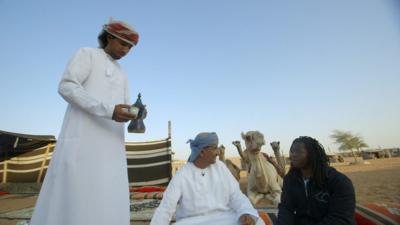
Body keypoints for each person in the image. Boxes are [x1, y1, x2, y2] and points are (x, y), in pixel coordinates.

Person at [29, 19, 139, 225]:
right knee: (76, 190)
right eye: (123, 44)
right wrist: (107, 110)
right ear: (109, 37)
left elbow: (122, 107)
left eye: (130, 47)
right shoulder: (87, 54)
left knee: (107, 190)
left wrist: (136, 113)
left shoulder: (122, 73)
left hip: (111, 145)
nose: (126, 50)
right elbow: (67, 86)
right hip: (82, 140)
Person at [150, 132, 265, 225]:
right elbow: (166, 207)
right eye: (214, 148)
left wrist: (245, 212)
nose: (218, 152)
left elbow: (236, 195)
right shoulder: (183, 174)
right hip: (192, 221)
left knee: (258, 221)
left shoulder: (220, 167)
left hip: (224, 218)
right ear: (202, 152)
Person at [277, 136, 356, 225]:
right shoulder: (290, 179)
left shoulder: (339, 182)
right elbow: (286, 209)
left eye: (298, 151)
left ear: (312, 154)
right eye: (292, 151)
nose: (293, 155)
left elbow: (340, 219)